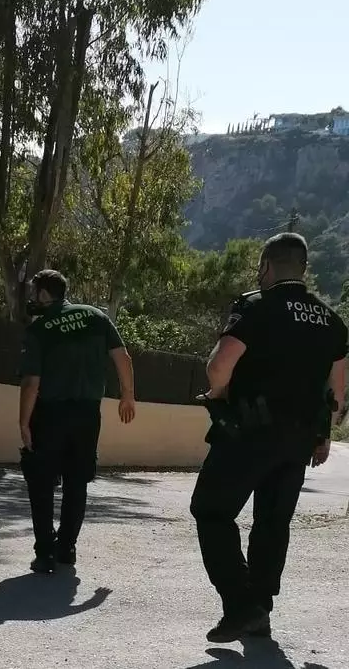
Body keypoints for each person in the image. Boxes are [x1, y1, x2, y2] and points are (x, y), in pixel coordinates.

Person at [189, 233, 346, 643]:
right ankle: (260, 608)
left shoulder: (256, 306)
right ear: (304, 268)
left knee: (211, 510)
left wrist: (218, 393)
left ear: (265, 266)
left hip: (248, 431)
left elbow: (219, 366)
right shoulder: (331, 321)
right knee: (272, 524)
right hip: (299, 440)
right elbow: (337, 390)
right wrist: (323, 435)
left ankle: (242, 606)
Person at [18, 269, 136, 575]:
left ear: (44, 294)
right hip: (87, 414)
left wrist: (24, 422)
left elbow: (31, 382)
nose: (31, 298)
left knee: (41, 481)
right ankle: (67, 548)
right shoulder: (96, 316)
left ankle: (45, 552)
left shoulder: (39, 329)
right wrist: (127, 396)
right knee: (76, 481)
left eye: (34, 292)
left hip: (50, 413)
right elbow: (123, 357)